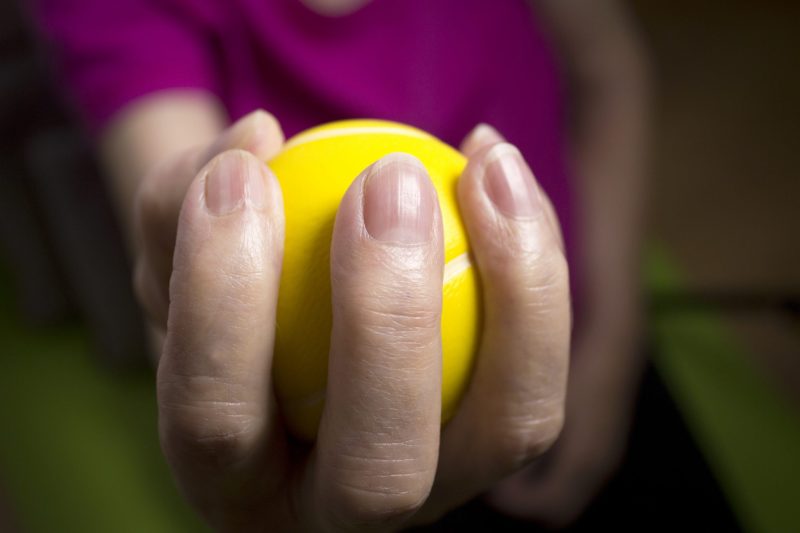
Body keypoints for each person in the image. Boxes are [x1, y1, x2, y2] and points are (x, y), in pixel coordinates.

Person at [31, 0, 648, 529]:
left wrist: (614, 333)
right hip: (329, 444)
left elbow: (611, 74)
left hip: (588, 336)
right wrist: (185, 269)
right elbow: (181, 285)